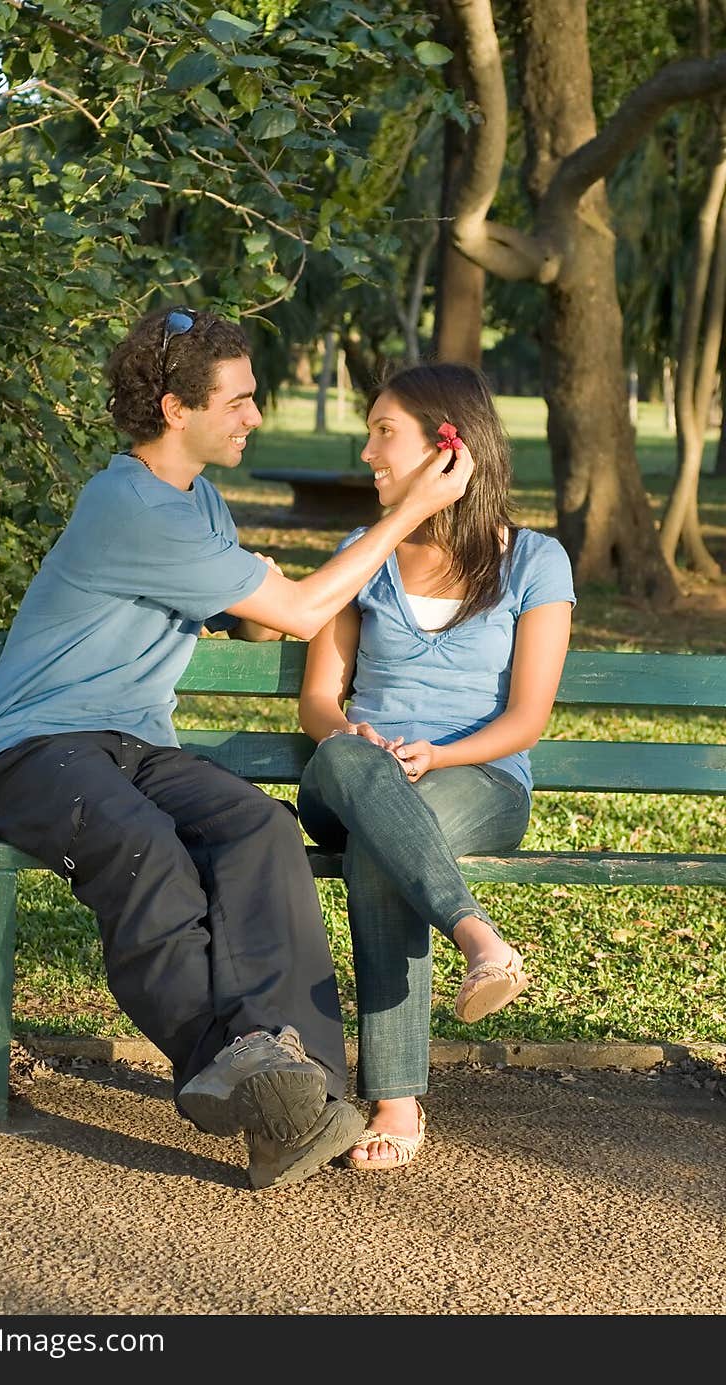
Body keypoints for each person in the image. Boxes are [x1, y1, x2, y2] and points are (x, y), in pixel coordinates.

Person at [0, 307, 473, 1190]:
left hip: (133, 744)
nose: (254, 416)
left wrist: (261, 581)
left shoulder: (199, 504)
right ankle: (238, 1069)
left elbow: (250, 601)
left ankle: (293, 1083)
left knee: (259, 831)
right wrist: (413, 508)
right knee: (147, 850)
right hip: (35, 752)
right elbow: (305, 612)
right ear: (173, 409)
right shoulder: (127, 504)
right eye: (238, 401)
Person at [296, 362, 575, 1173]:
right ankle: (476, 934)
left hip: (477, 779)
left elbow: (528, 717)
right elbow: (319, 701)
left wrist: (440, 752)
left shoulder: (533, 561)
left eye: (385, 431)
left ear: (448, 447)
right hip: (348, 775)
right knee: (360, 776)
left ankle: (394, 1099)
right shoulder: (362, 553)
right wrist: (357, 736)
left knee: (384, 848)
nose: (368, 449)